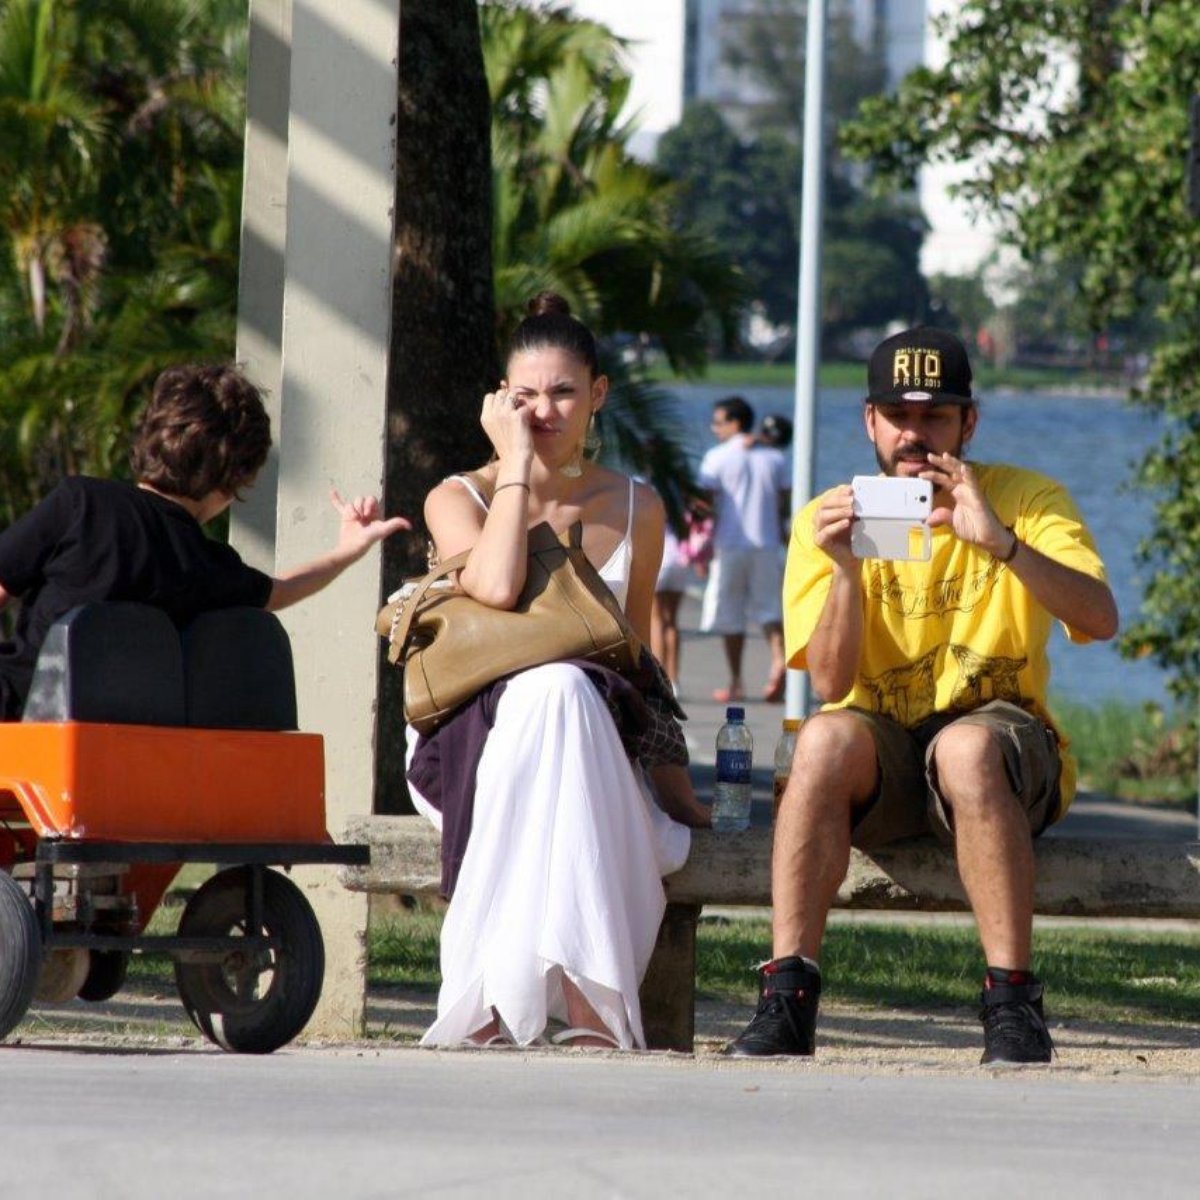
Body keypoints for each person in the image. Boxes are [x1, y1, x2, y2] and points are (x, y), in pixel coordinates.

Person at [723, 326, 1119, 1065]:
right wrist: (844, 571)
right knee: (822, 736)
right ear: (869, 422)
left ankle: (1012, 1002)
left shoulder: (1025, 500)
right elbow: (834, 683)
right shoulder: (828, 519)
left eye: (935, 417)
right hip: (890, 756)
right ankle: (788, 997)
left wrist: (1000, 541)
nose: (915, 435)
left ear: (969, 423)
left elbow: (1100, 618)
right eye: (898, 416)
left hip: (1002, 745)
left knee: (966, 747)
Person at [415, 291, 709, 1051]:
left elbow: (636, 661)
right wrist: (513, 464)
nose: (543, 411)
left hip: (598, 743)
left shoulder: (638, 507)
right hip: (472, 740)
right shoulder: (456, 496)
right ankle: (589, 1007)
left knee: (570, 691)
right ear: (499, 403)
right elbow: (497, 588)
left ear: (598, 396)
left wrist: (679, 791)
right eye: (525, 397)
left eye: (563, 392)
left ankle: (491, 1003)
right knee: (556, 687)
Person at [0, 362, 409, 720]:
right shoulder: (206, 564)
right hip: (130, 738)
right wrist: (346, 552)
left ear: (150, 436)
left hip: (22, 713)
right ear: (228, 487)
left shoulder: (81, 503)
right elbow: (280, 592)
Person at [697, 395, 790, 703]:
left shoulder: (716, 457)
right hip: (766, 542)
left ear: (735, 423)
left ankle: (736, 681)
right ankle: (778, 660)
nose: (714, 428)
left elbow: (703, 505)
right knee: (769, 609)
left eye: (719, 422)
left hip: (730, 543)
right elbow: (785, 502)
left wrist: (697, 545)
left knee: (730, 614)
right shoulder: (775, 458)